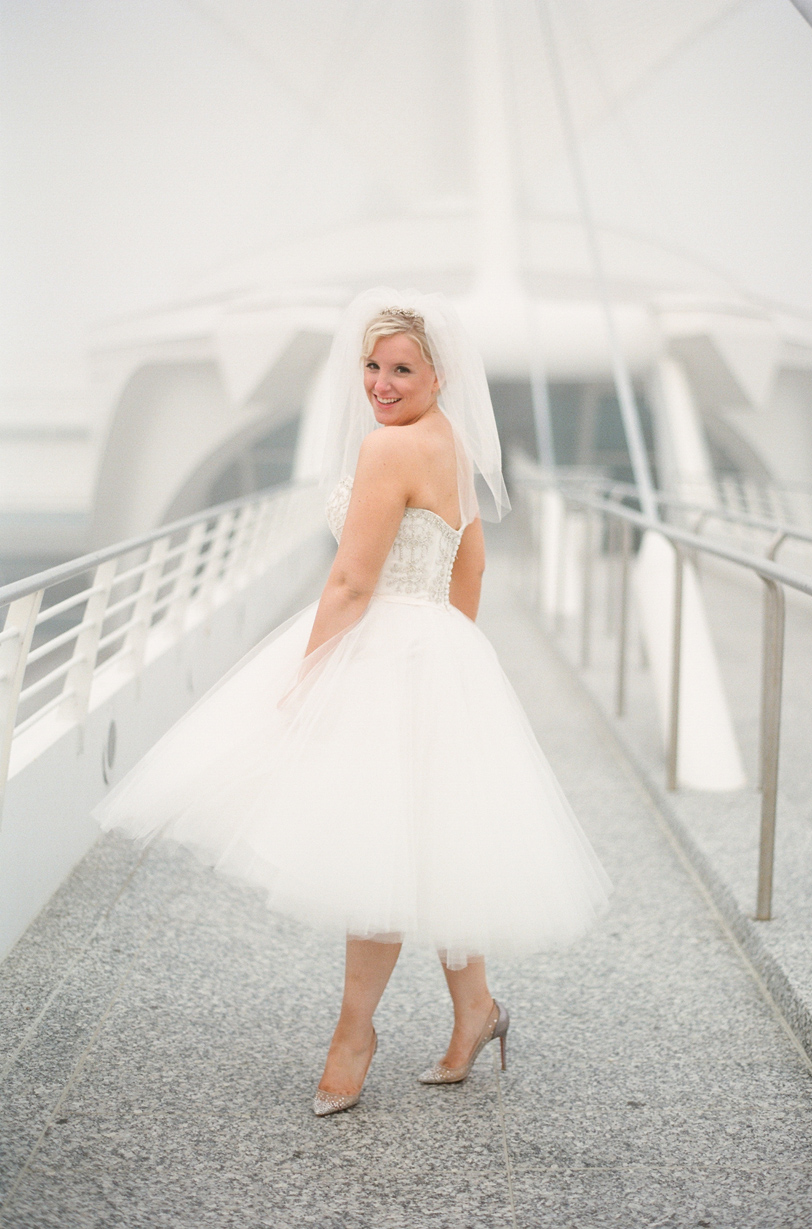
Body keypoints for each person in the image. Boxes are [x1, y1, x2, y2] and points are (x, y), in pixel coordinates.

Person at [92, 287, 611, 1118]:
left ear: (439, 373)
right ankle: (476, 1010)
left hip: (385, 648)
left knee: (383, 850)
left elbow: (351, 580)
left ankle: (353, 1036)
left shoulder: (387, 450)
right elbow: (469, 570)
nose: (380, 381)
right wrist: (448, 656)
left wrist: (308, 679)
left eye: (402, 367)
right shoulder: (457, 446)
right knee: (430, 842)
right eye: (372, 365)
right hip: (437, 644)